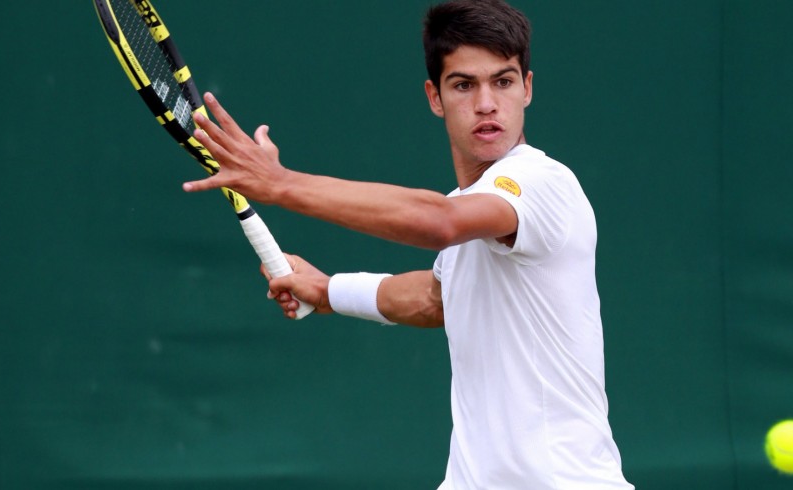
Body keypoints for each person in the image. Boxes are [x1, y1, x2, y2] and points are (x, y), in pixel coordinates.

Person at [183, 0, 633, 488]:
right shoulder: (470, 204)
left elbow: (438, 223)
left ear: (527, 88)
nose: (486, 103)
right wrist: (329, 290)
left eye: (502, 81)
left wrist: (280, 183)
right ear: (434, 97)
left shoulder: (541, 183)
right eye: (464, 84)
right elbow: (436, 297)